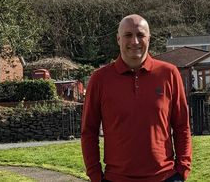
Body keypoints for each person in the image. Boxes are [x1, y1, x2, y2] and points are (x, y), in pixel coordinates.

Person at [81, 14, 192, 182]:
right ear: (118, 39)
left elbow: (182, 126)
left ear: (149, 38)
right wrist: (96, 176)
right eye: (128, 35)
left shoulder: (169, 74)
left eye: (140, 35)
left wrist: (182, 170)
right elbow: (89, 131)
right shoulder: (100, 79)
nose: (135, 41)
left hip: (165, 177)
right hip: (116, 178)